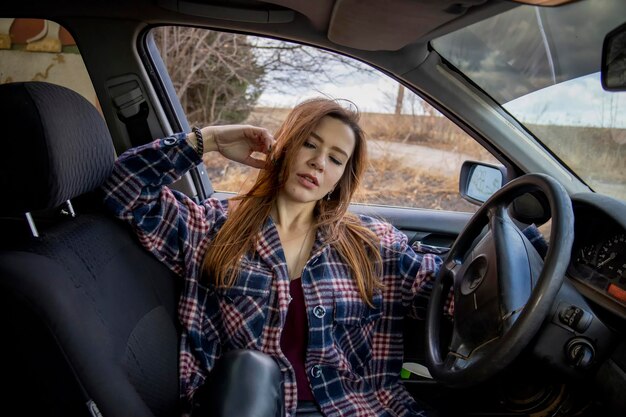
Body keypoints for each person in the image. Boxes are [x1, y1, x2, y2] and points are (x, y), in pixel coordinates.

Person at [102, 98, 450, 417]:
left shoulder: (371, 244)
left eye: (335, 158)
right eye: (309, 144)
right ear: (284, 146)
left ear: (341, 178)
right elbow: (124, 188)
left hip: (357, 408)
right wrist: (208, 140)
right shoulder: (211, 227)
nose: (318, 161)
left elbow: (442, 286)